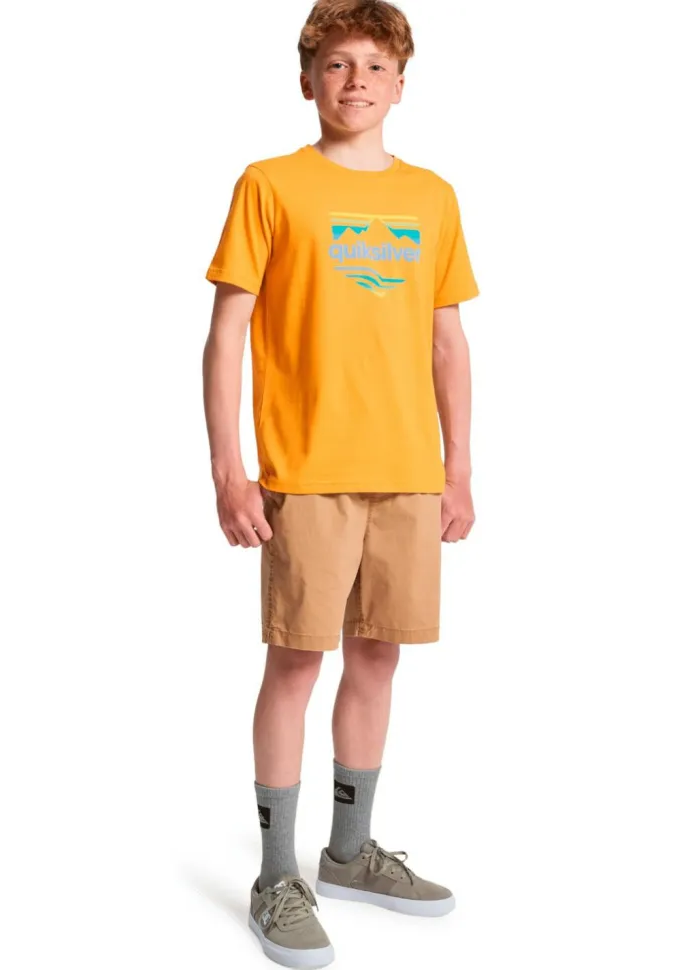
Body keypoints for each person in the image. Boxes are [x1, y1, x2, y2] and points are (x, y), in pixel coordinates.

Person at [202, 1, 478, 965]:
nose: (355, 80)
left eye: (374, 65)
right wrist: (229, 468)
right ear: (306, 80)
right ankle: (277, 875)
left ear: (401, 83)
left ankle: (351, 854)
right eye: (336, 63)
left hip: (407, 473)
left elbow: (448, 341)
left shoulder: (432, 198)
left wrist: (458, 467)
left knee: (378, 659)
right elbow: (227, 332)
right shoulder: (271, 185)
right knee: (296, 662)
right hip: (308, 471)